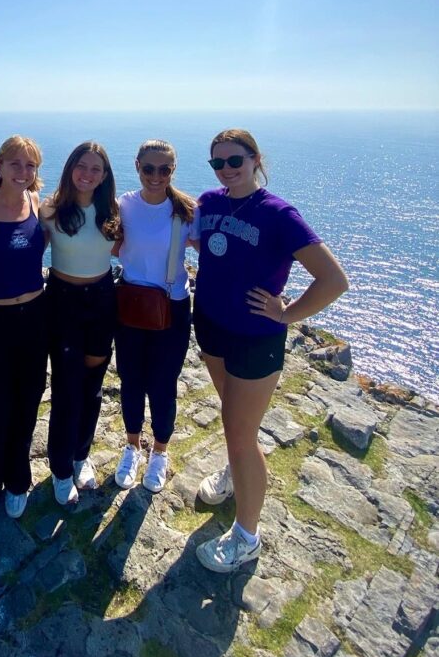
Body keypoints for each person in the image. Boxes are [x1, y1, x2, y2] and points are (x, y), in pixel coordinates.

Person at [191, 129, 348, 573]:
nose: (226, 170)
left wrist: (286, 314)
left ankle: (246, 537)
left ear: (255, 159)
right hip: (212, 328)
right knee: (233, 420)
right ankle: (236, 474)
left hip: (255, 339)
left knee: (241, 433)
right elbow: (197, 243)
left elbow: (334, 280)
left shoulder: (278, 213)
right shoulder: (210, 201)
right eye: (217, 163)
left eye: (234, 161)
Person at [113, 139, 196, 494]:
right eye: (149, 168)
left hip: (172, 307)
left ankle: (159, 451)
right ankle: (132, 446)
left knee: (163, 384)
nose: (156, 176)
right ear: (137, 166)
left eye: (165, 170)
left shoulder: (186, 211)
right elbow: (108, 242)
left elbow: (218, 248)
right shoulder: (123, 206)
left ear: (172, 171)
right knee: (130, 381)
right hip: (131, 304)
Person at [0, 135, 47, 519]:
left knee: (27, 402)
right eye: (16, 163)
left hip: (34, 318)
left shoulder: (37, 204)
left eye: (30, 165)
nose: (23, 172)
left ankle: (18, 479)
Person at [40, 142, 120, 505]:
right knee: (67, 389)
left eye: (96, 169)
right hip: (63, 302)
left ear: (105, 176)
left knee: (93, 388)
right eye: (81, 166)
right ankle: (59, 470)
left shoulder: (112, 212)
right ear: (70, 168)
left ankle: (80, 457)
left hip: (102, 300)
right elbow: (22, 246)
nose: (88, 174)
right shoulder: (52, 209)